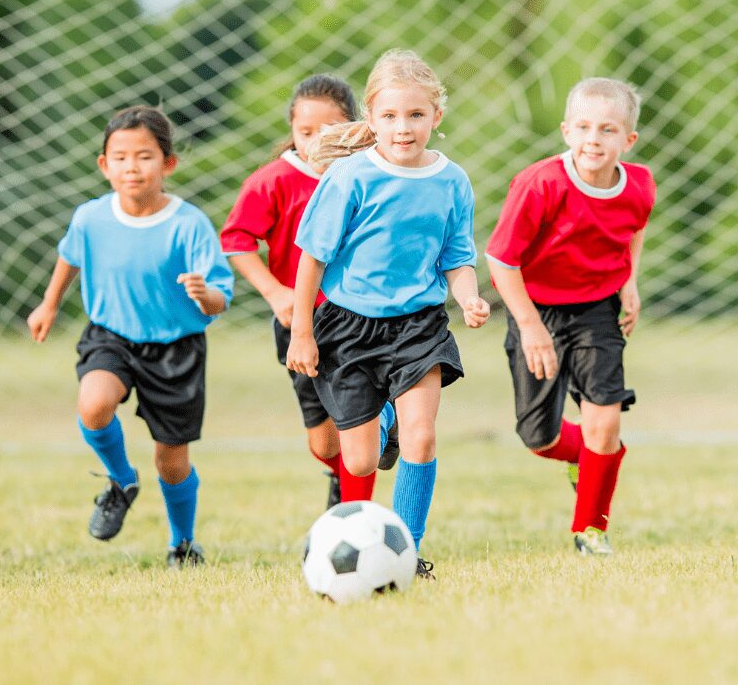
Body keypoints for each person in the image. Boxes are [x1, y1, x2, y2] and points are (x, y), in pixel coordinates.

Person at [286, 50, 490, 580]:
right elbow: (312, 257)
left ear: (436, 117)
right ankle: (385, 417)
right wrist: (302, 333)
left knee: (422, 436)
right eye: (391, 116)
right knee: (358, 461)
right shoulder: (350, 177)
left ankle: (407, 550)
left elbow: (457, 258)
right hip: (349, 328)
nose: (404, 128)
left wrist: (467, 296)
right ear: (371, 118)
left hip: (419, 326)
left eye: (416, 116)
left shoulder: (452, 182)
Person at [27, 106, 234, 568]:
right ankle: (122, 481)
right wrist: (49, 303)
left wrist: (206, 295)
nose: (131, 167)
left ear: (168, 163)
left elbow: (222, 296)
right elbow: (69, 257)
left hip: (176, 348)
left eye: (144, 156)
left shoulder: (189, 223)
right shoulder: (91, 218)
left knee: (171, 461)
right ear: (104, 165)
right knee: (93, 405)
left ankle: (182, 543)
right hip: (112, 336)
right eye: (120, 157)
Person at [486, 77, 655, 556]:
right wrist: (530, 326)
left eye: (607, 129)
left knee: (605, 419)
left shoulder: (639, 184)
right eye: (583, 127)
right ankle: (589, 459)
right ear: (565, 131)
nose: (593, 140)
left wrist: (628, 281)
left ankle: (590, 530)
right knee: (539, 436)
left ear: (628, 140)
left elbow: (635, 227)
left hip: (597, 311)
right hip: (535, 310)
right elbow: (501, 260)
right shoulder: (540, 184)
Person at [220, 74, 393, 510]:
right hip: (302, 322)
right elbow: (236, 240)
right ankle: (342, 485)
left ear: (353, 127)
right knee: (325, 444)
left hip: (362, 319)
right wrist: (277, 293)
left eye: (328, 131)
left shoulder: (373, 174)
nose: (317, 142)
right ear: (292, 132)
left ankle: (358, 517)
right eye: (306, 132)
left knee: (361, 427)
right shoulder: (274, 179)